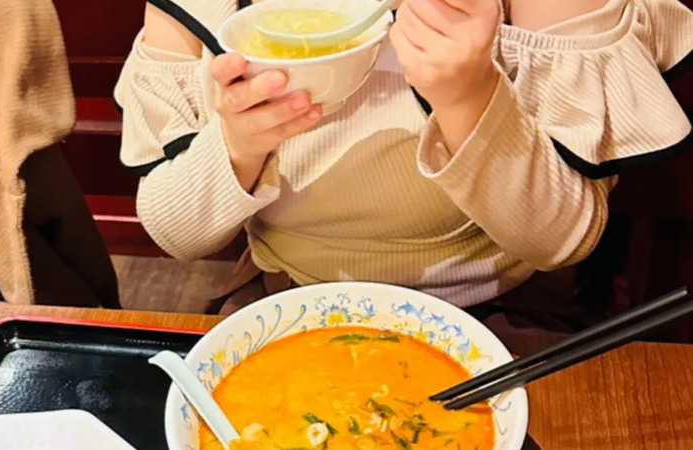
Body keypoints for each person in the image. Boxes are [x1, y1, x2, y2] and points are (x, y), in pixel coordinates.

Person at [115, 0, 693, 314]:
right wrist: (240, 143)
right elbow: (177, 232)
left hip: (497, 308)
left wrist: (469, 98)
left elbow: (564, 239)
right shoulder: (202, 11)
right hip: (288, 300)